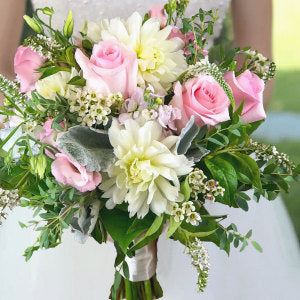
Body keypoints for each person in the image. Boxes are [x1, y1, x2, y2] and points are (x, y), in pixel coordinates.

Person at [0, 1, 299, 299]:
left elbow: (258, 68)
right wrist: (68, 132)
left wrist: (187, 130)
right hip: (64, 162)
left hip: (199, 164)